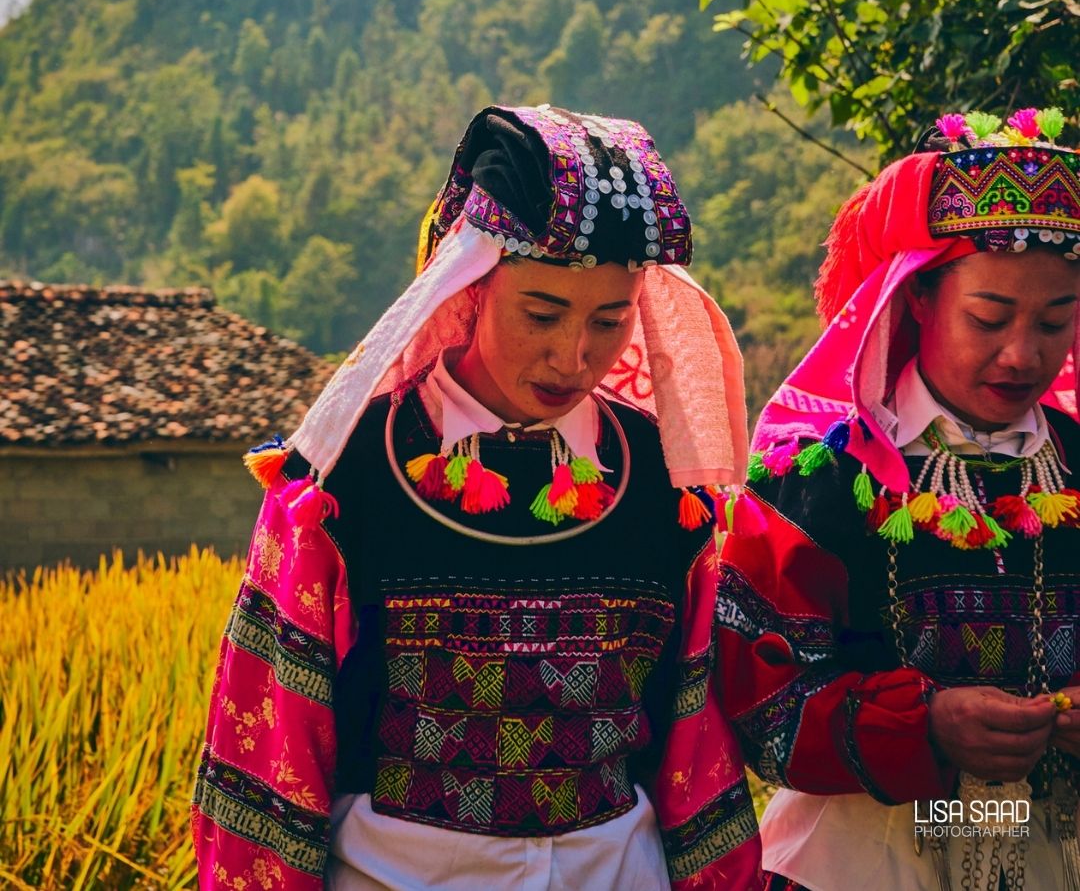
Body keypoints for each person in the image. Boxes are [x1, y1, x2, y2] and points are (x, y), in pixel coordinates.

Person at [192, 103, 764, 890]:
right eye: (543, 313)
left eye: (610, 319)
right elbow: (272, 743)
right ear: (471, 285)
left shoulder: (666, 483)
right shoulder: (347, 478)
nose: (576, 354)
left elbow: (693, 739)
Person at [714, 107, 1080, 891]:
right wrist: (926, 725)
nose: (1023, 354)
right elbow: (759, 708)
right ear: (917, 300)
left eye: (1055, 320)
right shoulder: (814, 481)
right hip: (859, 858)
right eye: (989, 317)